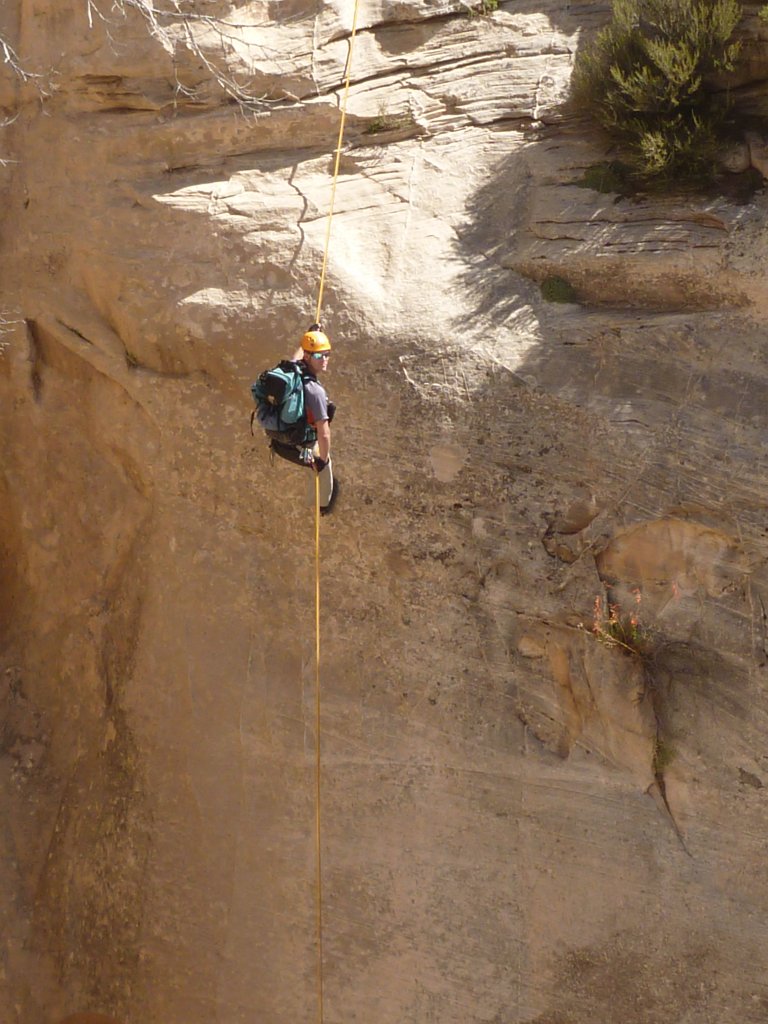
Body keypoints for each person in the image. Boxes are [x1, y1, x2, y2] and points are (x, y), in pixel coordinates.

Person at [269, 324, 338, 515]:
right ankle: (321, 506)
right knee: (323, 465)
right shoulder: (315, 391)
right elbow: (323, 434)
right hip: (298, 447)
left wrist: (312, 333)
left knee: (317, 458)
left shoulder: (292, 371)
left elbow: (296, 356)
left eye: (327, 354)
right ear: (308, 357)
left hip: (280, 439)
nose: (324, 359)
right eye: (318, 356)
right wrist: (322, 461)